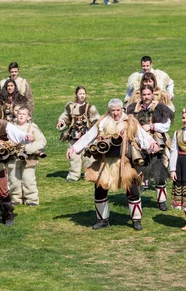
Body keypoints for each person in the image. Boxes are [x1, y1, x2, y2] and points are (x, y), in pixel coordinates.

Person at [68, 98, 160, 231]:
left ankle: (136, 220)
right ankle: (102, 220)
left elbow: (142, 135)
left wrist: (152, 143)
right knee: (99, 190)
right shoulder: (103, 122)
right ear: (109, 110)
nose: (115, 113)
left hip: (125, 163)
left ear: (121, 109)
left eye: (117, 110)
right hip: (106, 163)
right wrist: (74, 148)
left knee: (132, 191)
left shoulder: (130, 122)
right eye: (113, 111)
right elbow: (89, 136)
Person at [126, 85, 174, 211]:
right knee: (138, 172)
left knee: (159, 172)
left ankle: (162, 201)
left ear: (152, 94)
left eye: (148, 94)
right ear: (141, 95)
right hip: (139, 145)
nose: (146, 97)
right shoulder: (133, 108)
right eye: (144, 95)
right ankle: (135, 198)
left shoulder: (160, 108)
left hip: (157, 146)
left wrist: (152, 127)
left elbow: (166, 125)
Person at [57, 86, 100, 182]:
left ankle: (90, 174)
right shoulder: (70, 107)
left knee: (88, 156)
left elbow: (96, 120)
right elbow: (65, 118)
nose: (82, 95)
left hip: (86, 136)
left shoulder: (90, 107)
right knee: (74, 156)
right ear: (76, 94)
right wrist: (61, 122)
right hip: (73, 135)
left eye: (84, 94)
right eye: (80, 93)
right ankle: (73, 175)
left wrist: (97, 131)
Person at [7, 106, 46, 206]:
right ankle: (16, 199)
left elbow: (42, 141)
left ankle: (31, 199)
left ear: (28, 117)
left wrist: (29, 149)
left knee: (28, 180)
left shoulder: (32, 127)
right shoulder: (11, 127)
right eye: (19, 113)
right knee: (13, 180)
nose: (21, 116)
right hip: (13, 158)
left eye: (24, 114)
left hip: (29, 159)